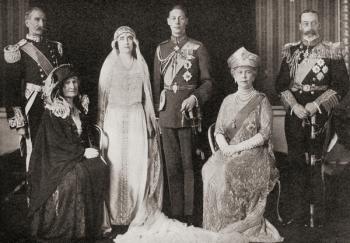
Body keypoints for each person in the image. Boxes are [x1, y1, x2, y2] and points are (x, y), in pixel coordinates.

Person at [275, 9, 349, 226]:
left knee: (316, 162)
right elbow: (280, 85)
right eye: (305, 23)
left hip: (321, 116)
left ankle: (318, 215)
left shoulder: (331, 52)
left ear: (318, 25)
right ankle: (298, 214)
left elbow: (342, 85)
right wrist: (295, 106)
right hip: (295, 116)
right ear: (299, 26)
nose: (309, 27)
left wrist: (317, 104)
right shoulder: (290, 52)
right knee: (296, 161)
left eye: (313, 23)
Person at [202, 47, 283, 242]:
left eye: (248, 72)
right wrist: (225, 148)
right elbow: (219, 131)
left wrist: (236, 149)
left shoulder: (262, 100)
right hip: (229, 151)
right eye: (240, 72)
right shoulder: (228, 100)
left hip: (256, 153)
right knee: (210, 169)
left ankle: (236, 224)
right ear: (234, 75)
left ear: (254, 75)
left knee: (228, 170)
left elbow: (264, 134)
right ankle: (218, 225)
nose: (244, 76)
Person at [28, 64, 108, 241]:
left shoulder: (79, 108)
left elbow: (86, 135)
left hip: (72, 156)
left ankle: (92, 226)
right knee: (75, 177)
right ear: (60, 87)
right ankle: (72, 229)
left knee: (98, 168)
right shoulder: (54, 111)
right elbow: (56, 144)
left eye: (74, 82)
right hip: (55, 161)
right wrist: (82, 152)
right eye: (67, 83)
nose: (72, 86)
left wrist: (91, 148)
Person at [97, 26, 162, 234]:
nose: (126, 41)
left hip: (136, 118)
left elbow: (148, 98)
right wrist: (101, 128)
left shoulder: (140, 64)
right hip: (114, 119)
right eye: (122, 38)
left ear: (135, 42)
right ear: (115, 42)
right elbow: (102, 99)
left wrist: (151, 124)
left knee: (136, 164)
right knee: (114, 165)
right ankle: (115, 216)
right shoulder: (109, 64)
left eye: (130, 38)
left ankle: (135, 214)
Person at [153, 4, 213, 224]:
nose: (177, 22)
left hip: (189, 113)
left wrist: (195, 97)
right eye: (173, 19)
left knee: (189, 165)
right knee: (172, 165)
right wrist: (157, 116)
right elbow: (156, 86)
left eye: (181, 18)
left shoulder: (198, 48)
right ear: (168, 22)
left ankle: (190, 214)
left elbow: (207, 83)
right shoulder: (160, 50)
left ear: (186, 21)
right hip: (167, 113)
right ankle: (176, 213)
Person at [4, 7, 67, 169]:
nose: (40, 23)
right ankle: (35, 191)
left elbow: (64, 79)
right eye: (36, 19)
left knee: (57, 148)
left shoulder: (55, 47)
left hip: (56, 104)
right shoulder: (19, 50)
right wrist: (19, 124)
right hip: (34, 106)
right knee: (36, 151)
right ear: (27, 23)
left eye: (43, 20)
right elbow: (11, 89)